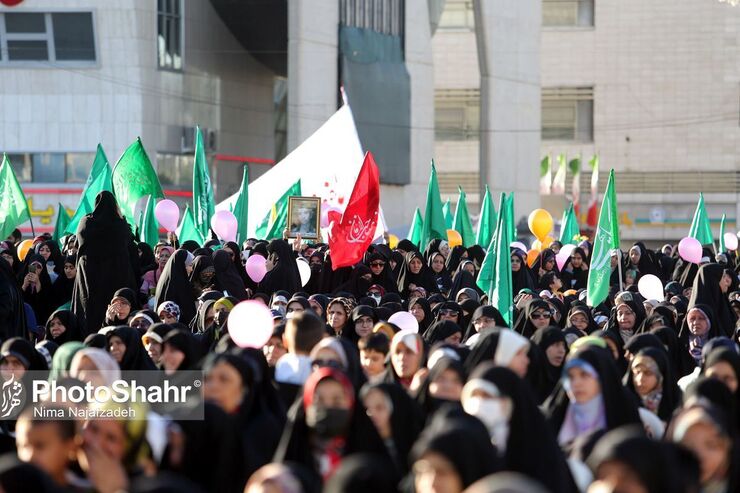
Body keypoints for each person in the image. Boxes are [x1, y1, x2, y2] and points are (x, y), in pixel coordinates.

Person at [72, 191, 139, 336]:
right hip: (117, 280)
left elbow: (79, 244)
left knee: (89, 317)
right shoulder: (120, 225)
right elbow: (131, 245)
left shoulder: (86, 222)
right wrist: (121, 218)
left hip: (90, 282)